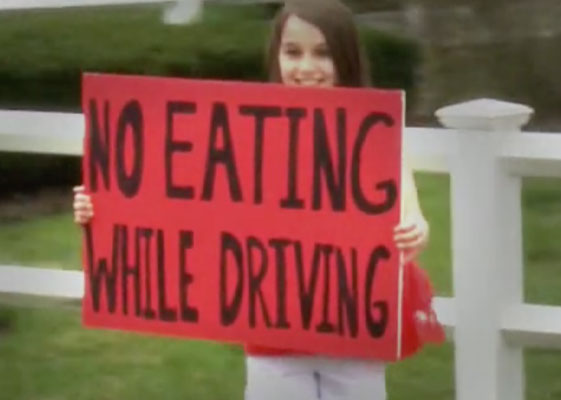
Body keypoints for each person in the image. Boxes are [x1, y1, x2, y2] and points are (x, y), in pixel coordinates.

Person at [74, 1, 438, 399]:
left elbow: (409, 210)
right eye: (292, 52)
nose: (306, 67)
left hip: (352, 331)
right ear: (276, 55)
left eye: (323, 53)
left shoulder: (374, 135)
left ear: (346, 58)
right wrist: (103, 207)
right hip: (274, 334)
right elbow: (180, 200)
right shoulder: (250, 132)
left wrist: (415, 229)